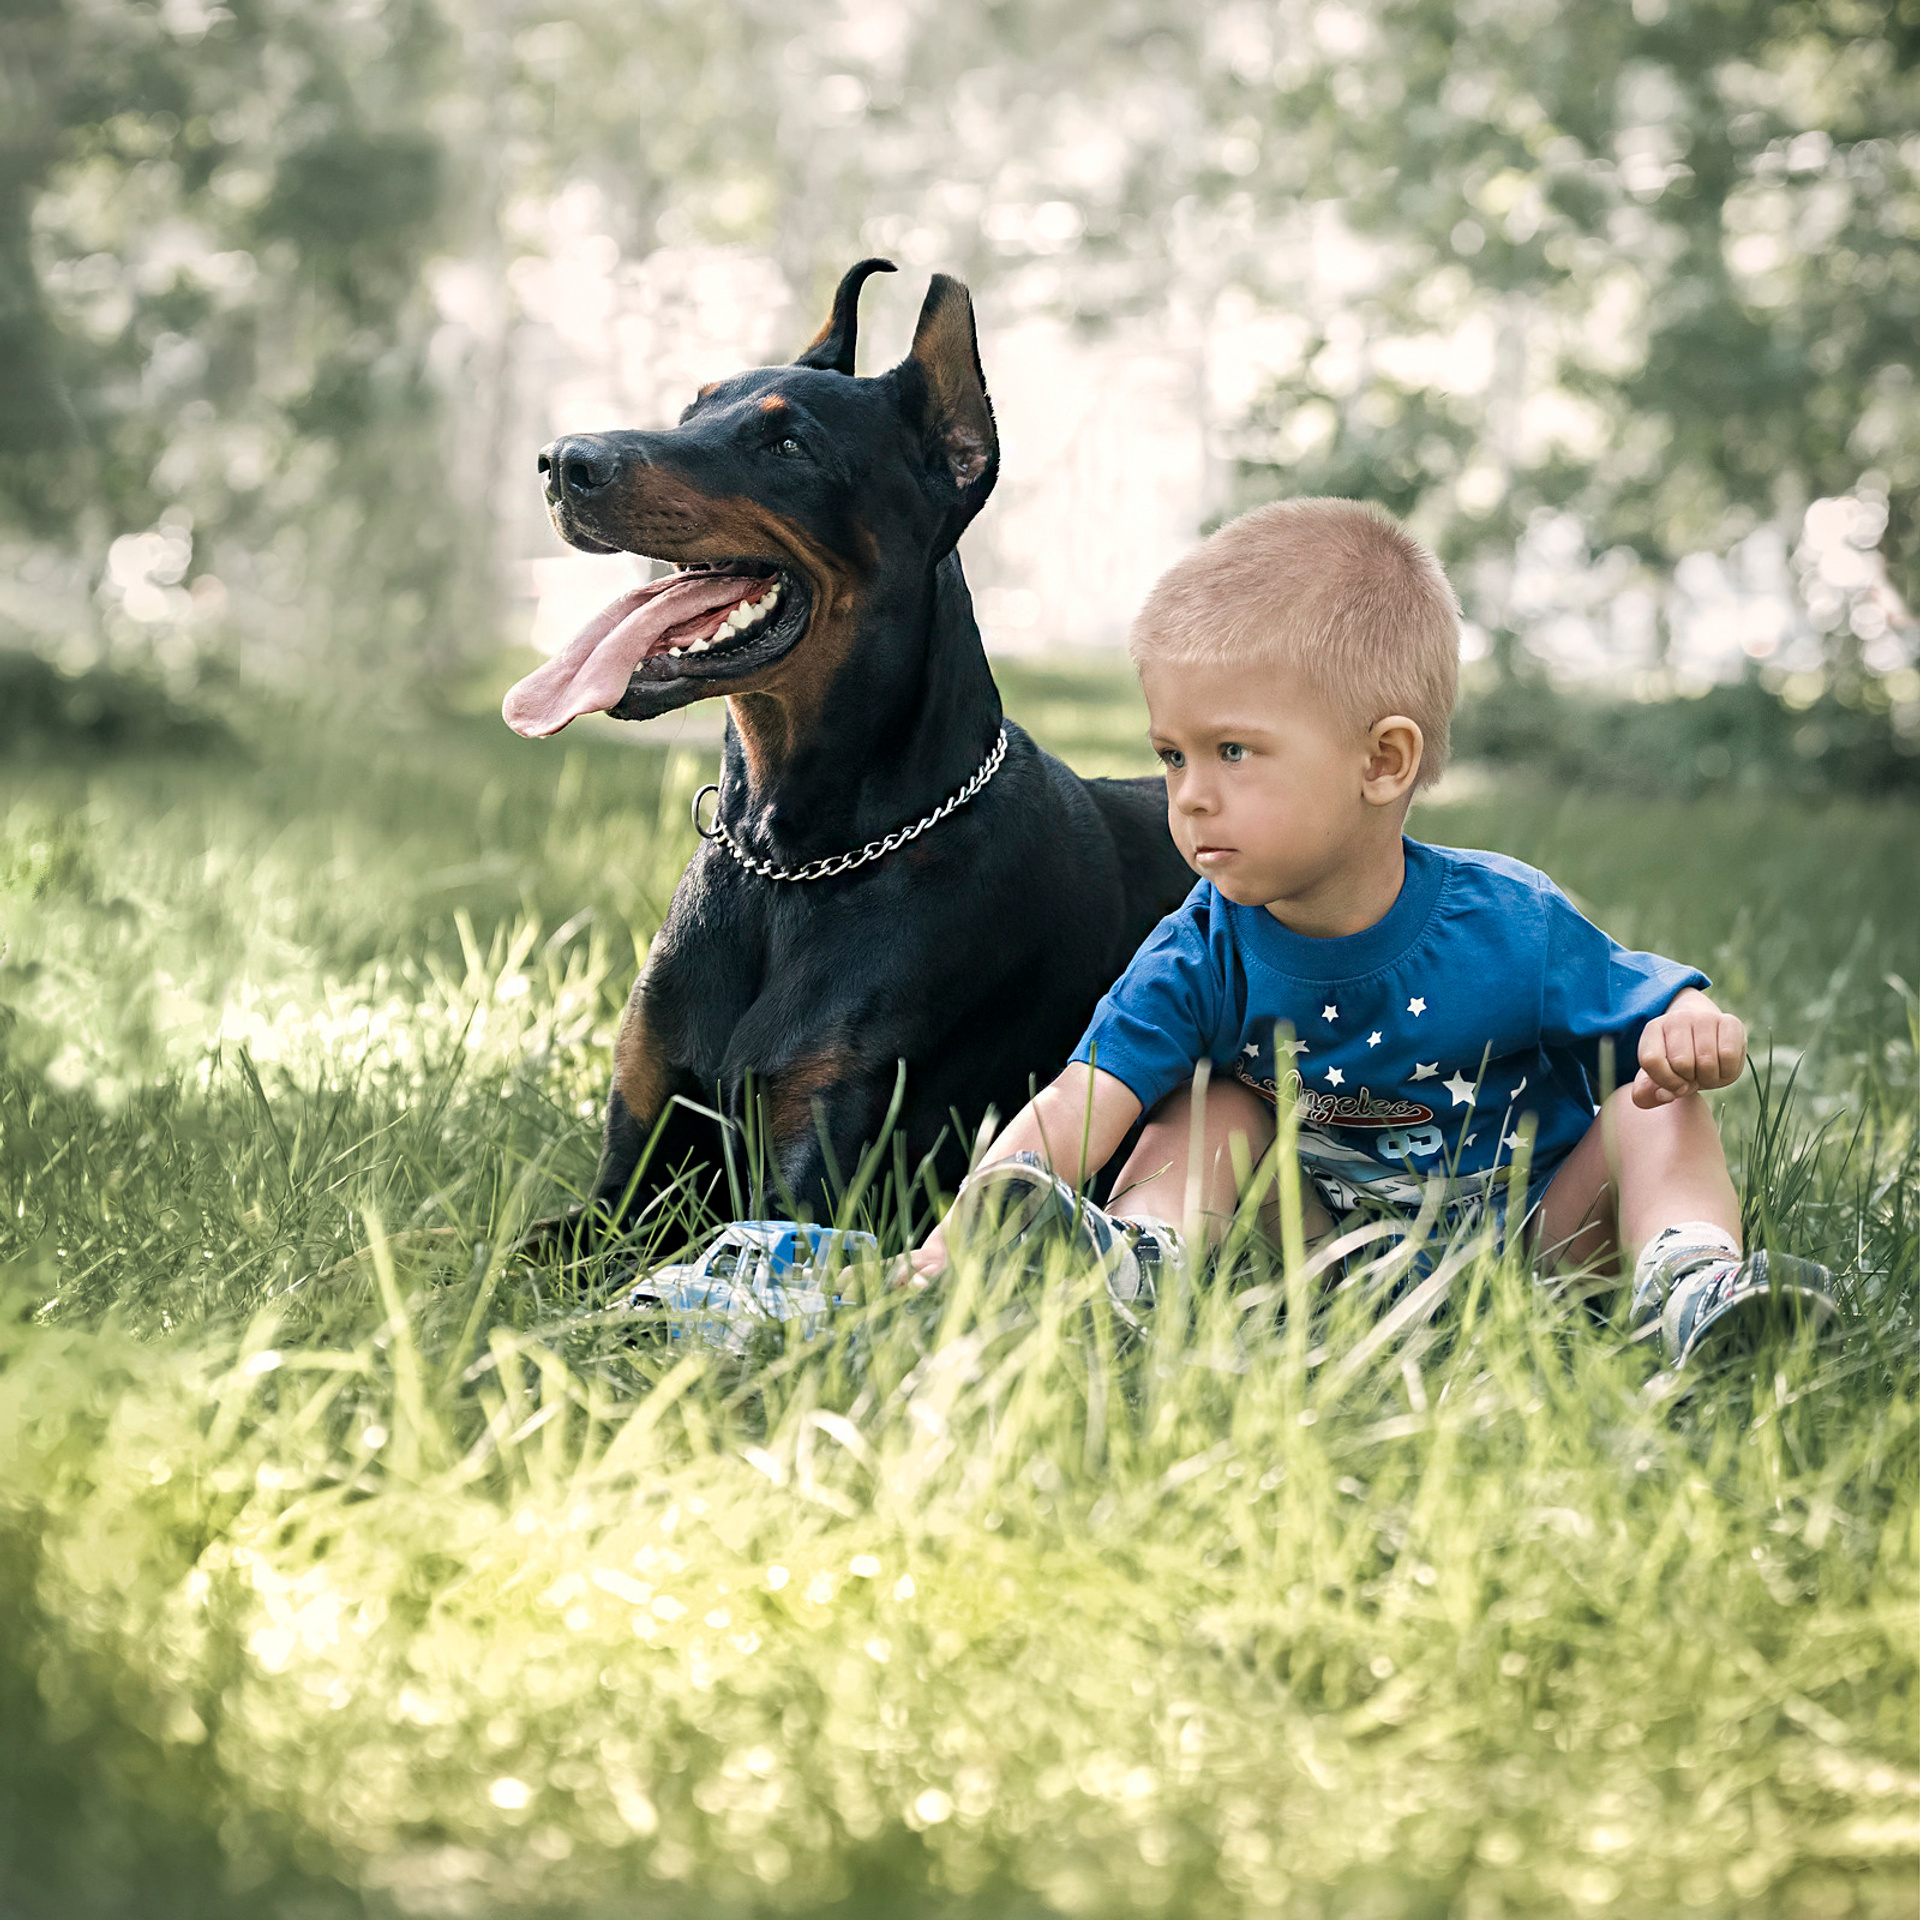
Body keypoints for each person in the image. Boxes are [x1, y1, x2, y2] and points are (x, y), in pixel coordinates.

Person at [911, 499, 1835, 1366]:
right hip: (1327, 1257)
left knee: (1656, 1102)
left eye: (1232, 751)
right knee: (1209, 1104)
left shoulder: (1508, 921)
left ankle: (1690, 1283)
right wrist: (951, 1251)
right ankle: (1145, 1264)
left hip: (1545, 1250)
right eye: (1172, 754)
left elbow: (1660, 1009)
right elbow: (1084, 1101)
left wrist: (1692, 1028)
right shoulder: (1203, 948)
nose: (1188, 793)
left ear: (1381, 761)